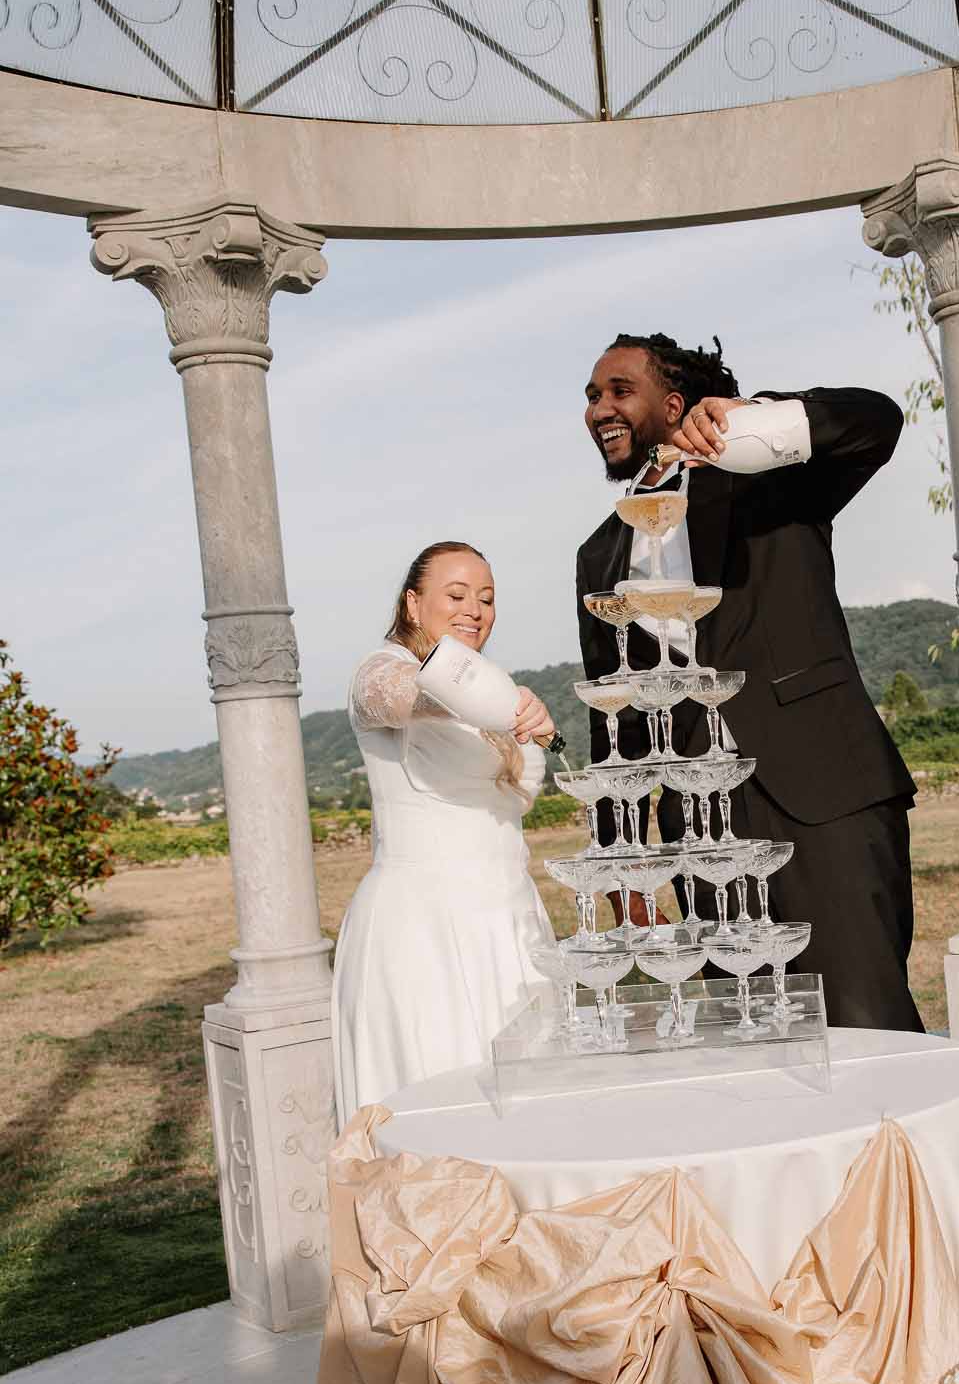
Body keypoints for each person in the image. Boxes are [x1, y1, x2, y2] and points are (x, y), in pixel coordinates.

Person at [576, 333, 923, 1032]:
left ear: (674, 403)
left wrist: (759, 416)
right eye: (591, 396)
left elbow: (875, 422)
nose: (598, 409)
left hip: (819, 796)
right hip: (697, 830)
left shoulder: (767, 480)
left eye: (618, 391)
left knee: (865, 1019)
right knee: (751, 1033)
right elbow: (614, 712)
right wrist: (621, 867)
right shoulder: (599, 552)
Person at [331, 540, 558, 1121]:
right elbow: (410, 696)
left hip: (511, 916)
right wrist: (490, 702)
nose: (475, 610)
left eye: (486, 599)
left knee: (534, 1105)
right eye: (456, 595)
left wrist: (522, 715)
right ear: (413, 604)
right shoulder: (379, 672)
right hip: (426, 924)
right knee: (445, 1106)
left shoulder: (496, 682)